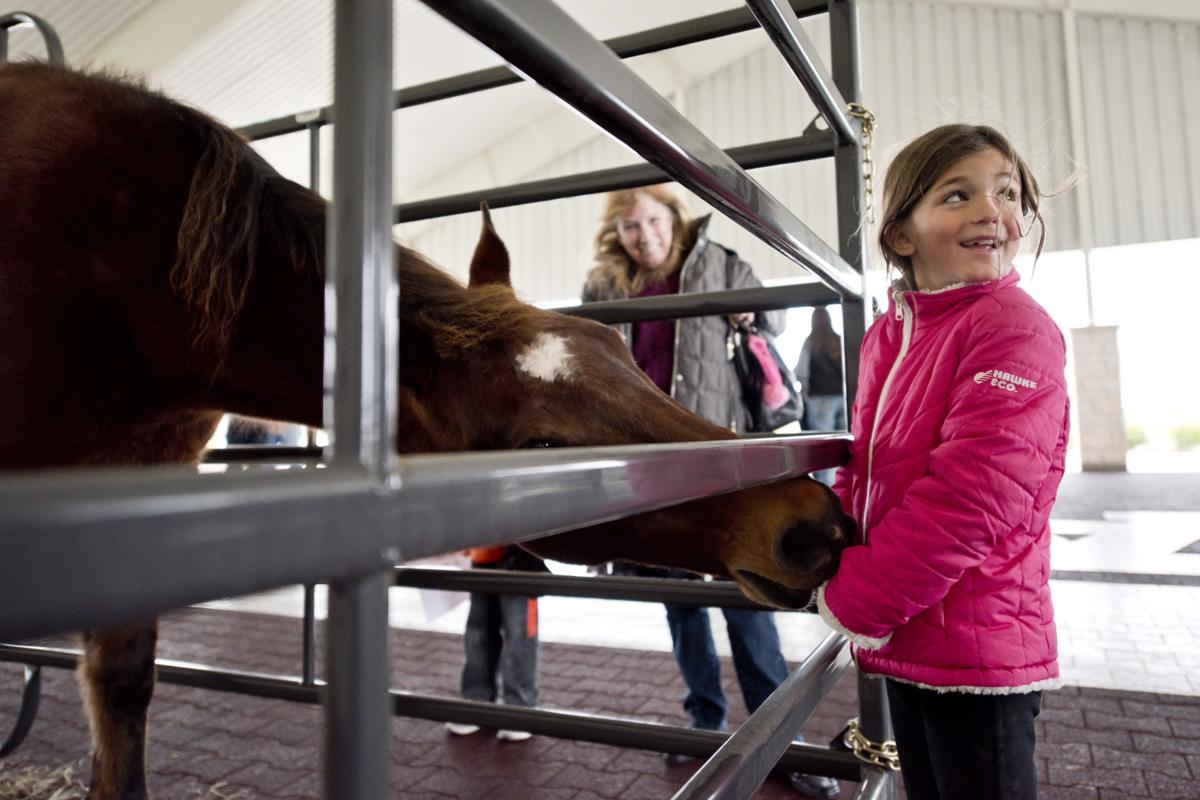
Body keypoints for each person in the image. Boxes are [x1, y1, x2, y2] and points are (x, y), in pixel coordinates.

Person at [817, 124, 1070, 800]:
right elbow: (864, 463)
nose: (992, 211)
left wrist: (858, 597)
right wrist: (830, 542)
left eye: (1007, 193)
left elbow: (974, 499)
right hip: (909, 632)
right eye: (958, 195)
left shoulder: (1013, 328)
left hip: (976, 644)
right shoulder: (891, 333)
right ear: (902, 234)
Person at [583, 185, 839, 800]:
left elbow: (777, 318)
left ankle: (780, 736)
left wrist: (750, 314)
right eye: (629, 227)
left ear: (674, 217)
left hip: (720, 465)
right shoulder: (604, 287)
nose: (644, 236)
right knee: (681, 604)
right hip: (651, 469)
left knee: (747, 599)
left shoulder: (721, 264)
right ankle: (704, 721)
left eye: (652, 220)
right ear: (616, 234)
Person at [446, 545, 546, 742]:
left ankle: (520, 709)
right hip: (484, 554)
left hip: (521, 558)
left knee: (519, 633)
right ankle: (476, 702)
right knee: (479, 632)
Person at [794, 305, 845, 485]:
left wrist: (804, 394)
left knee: (825, 451)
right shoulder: (839, 341)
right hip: (843, 399)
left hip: (820, 400)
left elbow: (801, 372)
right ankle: (843, 489)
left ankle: (829, 491)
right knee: (844, 448)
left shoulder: (811, 342)